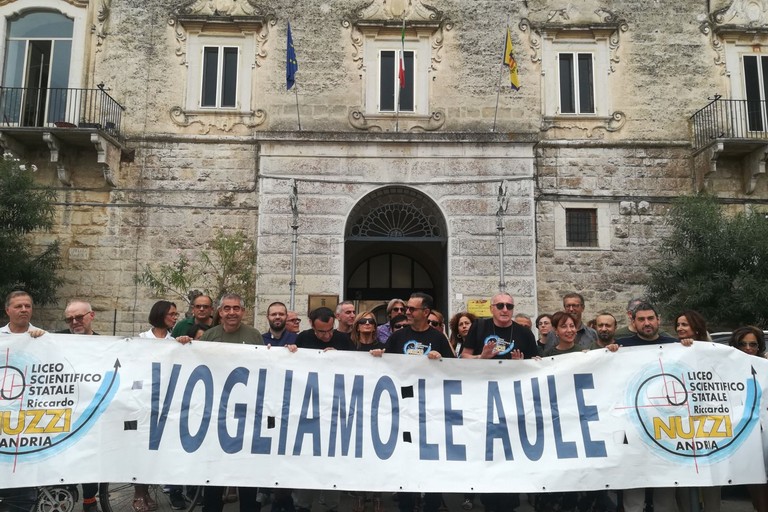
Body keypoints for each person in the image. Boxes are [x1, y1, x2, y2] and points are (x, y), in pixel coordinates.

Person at [198, 293, 262, 512]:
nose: (232, 312)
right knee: (213, 470)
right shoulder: (209, 336)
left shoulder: (254, 335)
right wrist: (184, 345)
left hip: (246, 413)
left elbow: (265, 367)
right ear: (220, 312)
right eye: (227, 308)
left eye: (236, 308)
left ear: (243, 312)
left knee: (246, 469)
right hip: (216, 412)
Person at [55, 299, 102, 512]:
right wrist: (34, 337)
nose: (74, 322)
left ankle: (90, 499)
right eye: (69, 318)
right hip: (62, 411)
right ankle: (66, 491)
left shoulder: (106, 344)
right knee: (62, 454)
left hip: (91, 412)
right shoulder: (55, 339)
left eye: (79, 317)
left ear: (91, 316)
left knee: (90, 457)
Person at [731, 327, 768, 511]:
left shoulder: (765, 366)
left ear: (759, 346)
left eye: (752, 344)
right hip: (745, 434)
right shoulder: (726, 369)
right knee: (755, 482)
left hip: (766, 430)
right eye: (742, 344)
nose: (748, 348)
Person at [461, 292, 538, 360]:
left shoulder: (525, 333)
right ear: (491, 309)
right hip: (484, 375)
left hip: (514, 375)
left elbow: (534, 361)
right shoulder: (479, 327)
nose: (505, 310)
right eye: (500, 306)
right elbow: (464, 356)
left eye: (509, 306)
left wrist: (521, 364)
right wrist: (481, 357)